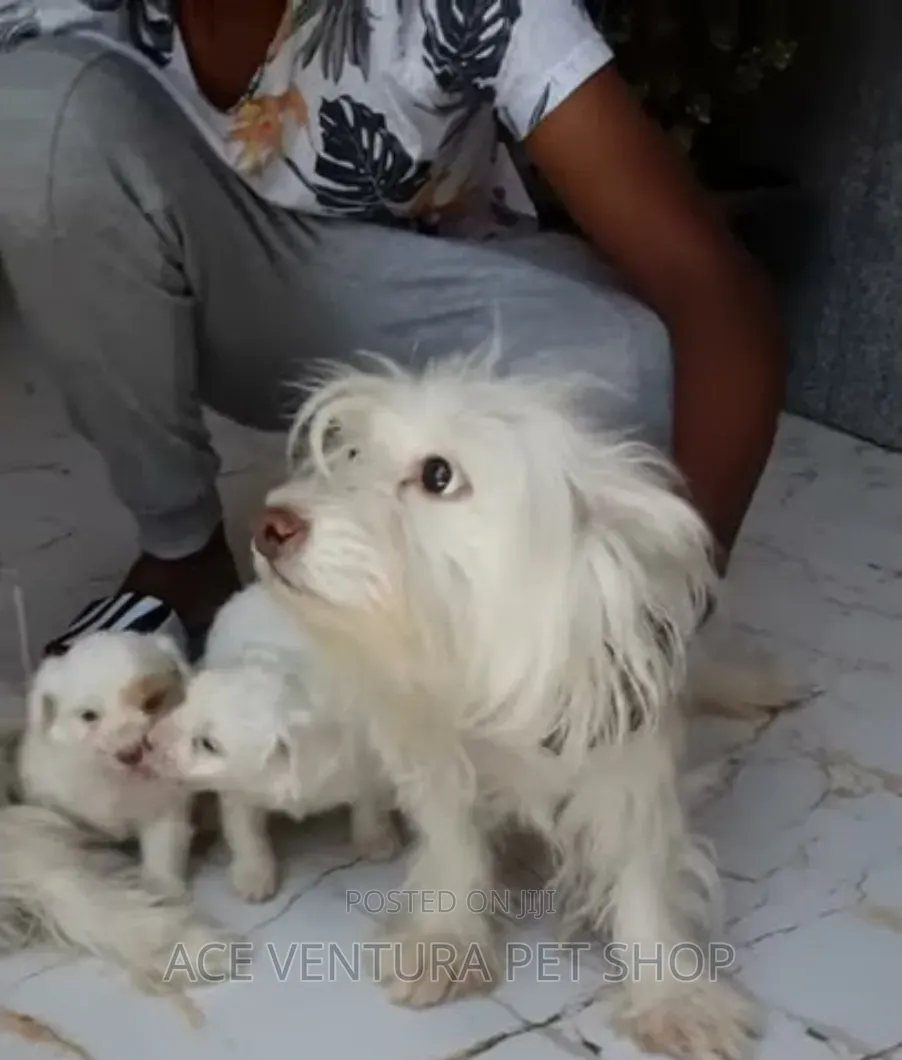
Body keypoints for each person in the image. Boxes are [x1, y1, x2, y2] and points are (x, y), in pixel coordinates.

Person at [0, 0, 785, 653]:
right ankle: (183, 561)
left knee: (629, 366)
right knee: (36, 118)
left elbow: (709, 286)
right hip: (202, 298)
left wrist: (659, 626)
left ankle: (414, 589)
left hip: (422, 332)